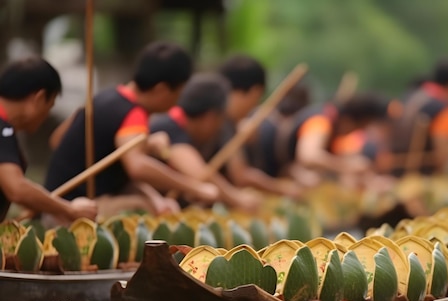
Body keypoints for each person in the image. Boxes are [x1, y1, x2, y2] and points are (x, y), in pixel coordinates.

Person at [44, 42, 217, 217]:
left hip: (53, 201)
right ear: (161, 90)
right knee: (143, 210)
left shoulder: (103, 96)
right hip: (74, 208)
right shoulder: (134, 113)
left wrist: (156, 198)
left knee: (153, 204)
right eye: (178, 95)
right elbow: (138, 167)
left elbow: (56, 140)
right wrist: (194, 187)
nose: (177, 103)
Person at [0, 57, 97, 222]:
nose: (46, 116)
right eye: (50, 105)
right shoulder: (3, 129)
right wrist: (69, 210)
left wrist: (37, 203)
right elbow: (16, 188)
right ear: (39, 98)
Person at [149, 74, 259, 211]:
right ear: (210, 117)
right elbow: (199, 173)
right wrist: (237, 199)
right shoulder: (171, 126)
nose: (219, 127)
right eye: (220, 120)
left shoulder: (181, 125)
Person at [214, 55, 300, 197]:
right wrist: (282, 189)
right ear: (255, 91)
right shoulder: (221, 120)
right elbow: (241, 176)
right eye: (257, 98)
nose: (256, 105)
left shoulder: (231, 123)